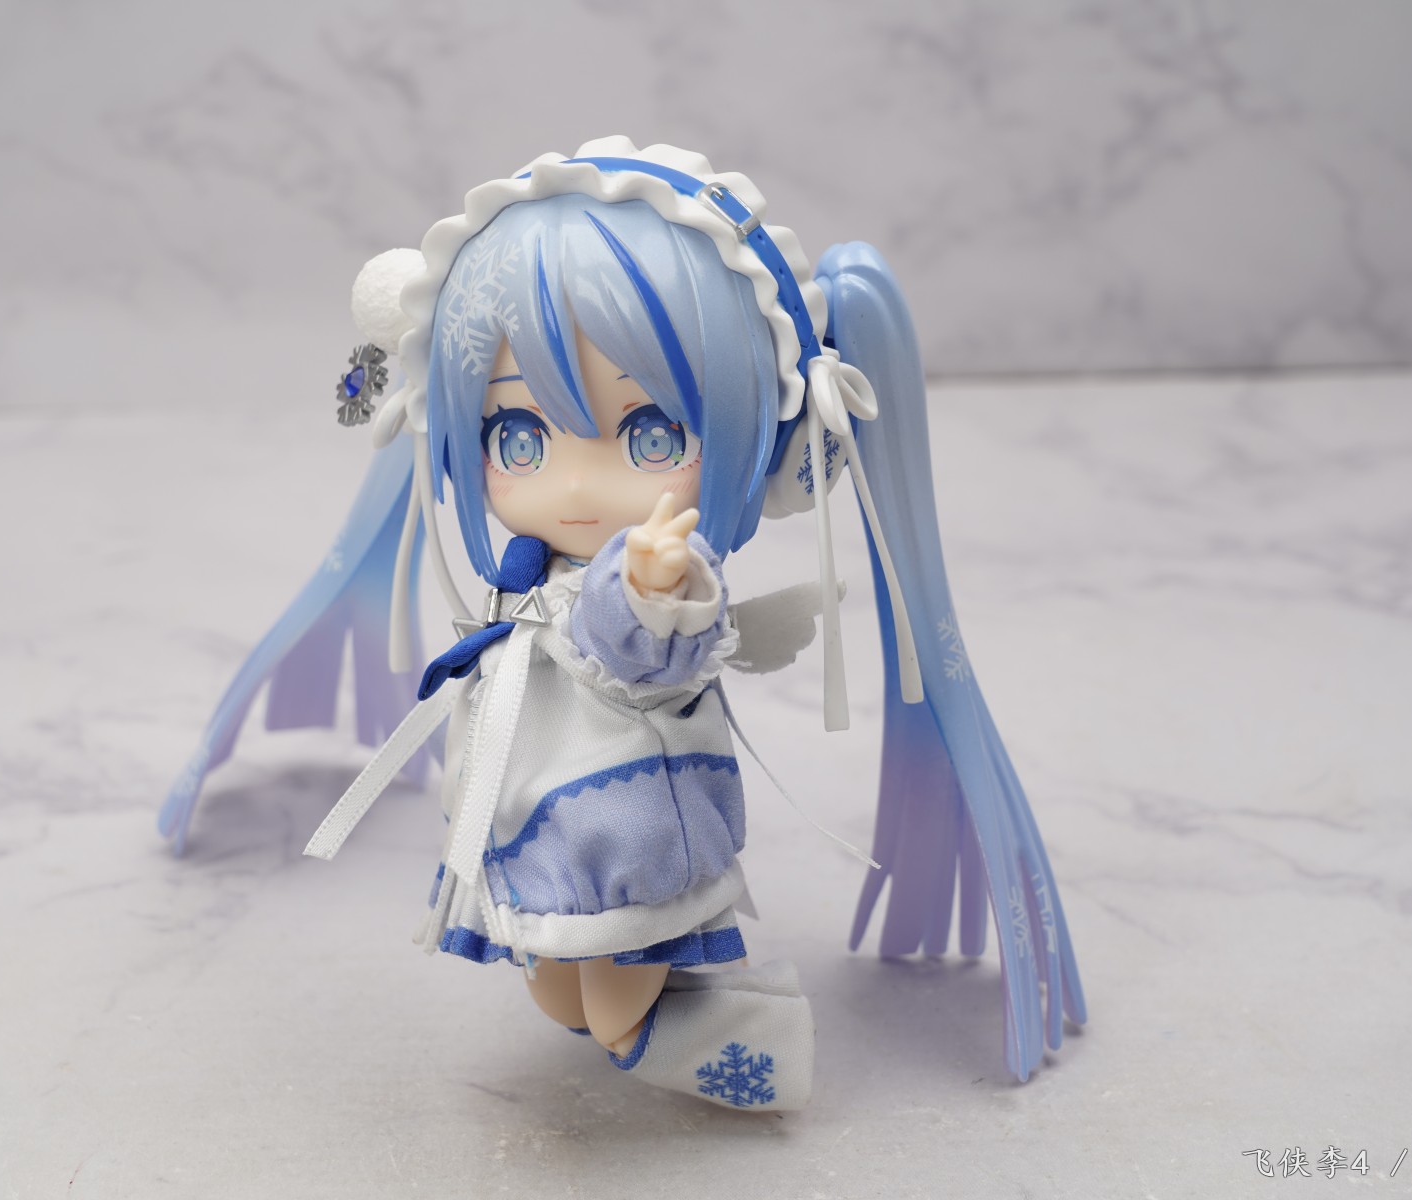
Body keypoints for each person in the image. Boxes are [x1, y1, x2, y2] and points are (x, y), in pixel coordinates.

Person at [160, 139, 1086, 1110]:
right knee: (559, 995)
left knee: (611, 1009)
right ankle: (693, 1027)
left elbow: (651, 644)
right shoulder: (530, 567)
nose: (573, 487)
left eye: (651, 436)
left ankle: (756, 1046)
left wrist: (648, 588)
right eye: (519, 436)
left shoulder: (656, 566)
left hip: (622, 827)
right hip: (538, 816)